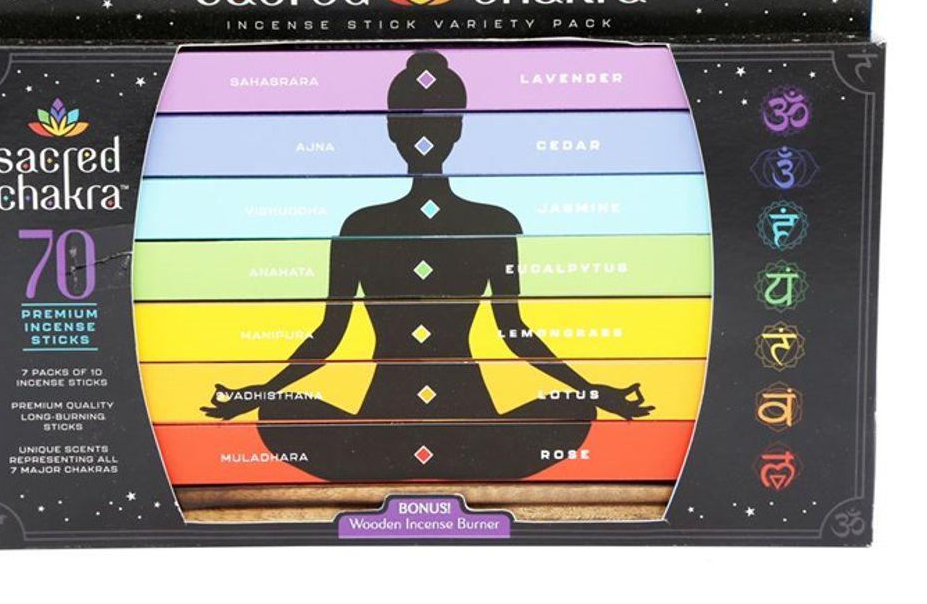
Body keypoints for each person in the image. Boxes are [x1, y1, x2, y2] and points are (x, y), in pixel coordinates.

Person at [201, 50, 651, 479]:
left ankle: (407, 459)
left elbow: (514, 331)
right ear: (392, 129)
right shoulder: (361, 227)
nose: (423, 134)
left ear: (457, 128)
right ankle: (445, 458)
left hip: (462, 415)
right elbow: (328, 335)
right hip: (392, 416)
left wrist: (594, 391)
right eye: (410, 121)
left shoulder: (493, 225)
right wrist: (257, 393)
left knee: (575, 406)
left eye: (437, 121)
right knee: (276, 410)